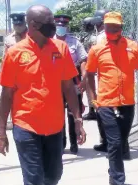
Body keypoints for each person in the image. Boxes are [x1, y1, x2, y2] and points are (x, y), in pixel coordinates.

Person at [0, 5, 86, 185]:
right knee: (34, 181)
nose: (53, 26)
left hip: (54, 126)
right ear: (33, 25)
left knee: (54, 175)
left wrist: (77, 119)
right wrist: (1, 131)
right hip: (25, 125)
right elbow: (6, 94)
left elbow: (69, 87)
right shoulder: (15, 53)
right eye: (49, 23)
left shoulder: (60, 48)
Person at [85, 12, 138, 185]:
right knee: (114, 142)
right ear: (104, 27)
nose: (111, 29)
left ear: (121, 27)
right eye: (108, 26)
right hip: (106, 103)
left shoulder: (133, 47)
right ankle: (117, 182)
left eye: (115, 26)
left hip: (127, 103)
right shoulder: (97, 50)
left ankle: (113, 169)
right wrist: (93, 100)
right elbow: (89, 75)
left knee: (121, 142)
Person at [54, 14, 87, 154]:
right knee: (58, 112)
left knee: (74, 111)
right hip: (56, 81)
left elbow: (83, 60)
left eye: (64, 26)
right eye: (59, 25)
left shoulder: (75, 42)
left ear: (67, 27)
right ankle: (61, 142)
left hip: (74, 80)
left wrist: (84, 78)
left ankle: (74, 143)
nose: (61, 28)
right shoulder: (50, 42)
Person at [82, 9, 108, 121]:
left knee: (93, 89)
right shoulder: (102, 35)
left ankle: (97, 109)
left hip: (98, 69)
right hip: (100, 69)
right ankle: (95, 109)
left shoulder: (101, 37)